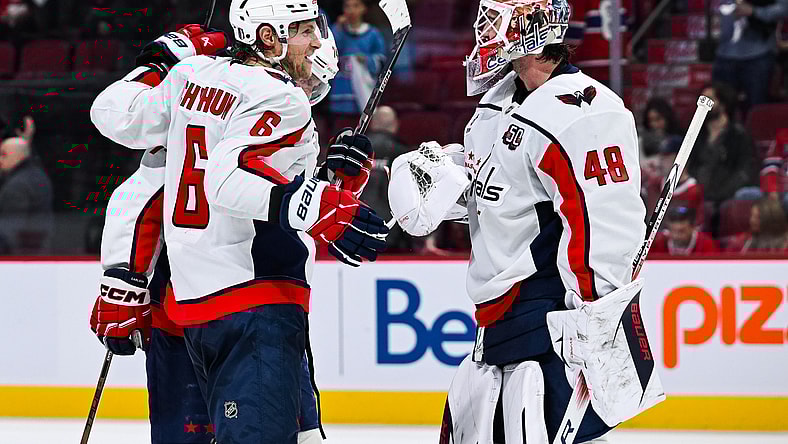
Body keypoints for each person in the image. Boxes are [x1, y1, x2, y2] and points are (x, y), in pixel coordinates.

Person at [89, 1, 387, 441]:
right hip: (254, 300)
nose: (316, 43)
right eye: (306, 32)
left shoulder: (194, 75)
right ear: (270, 37)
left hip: (190, 304)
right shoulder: (277, 97)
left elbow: (115, 115)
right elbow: (228, 182)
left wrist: (159, 61)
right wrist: (326, 203)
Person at [389, 1, 656, 442]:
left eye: (496, 18)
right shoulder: (498, 102)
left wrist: (598, 326)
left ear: (531, 28)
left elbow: (605, 224)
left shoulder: (583, 109)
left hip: (550, 328)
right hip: (496, 329)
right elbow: (501, 194)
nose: (484, 28)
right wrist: (445, 178)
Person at [690, 83, 759, 211]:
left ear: (723, 104)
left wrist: (721, 195)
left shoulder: (739, 136)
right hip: (697, 196)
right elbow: (690, 167)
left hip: (727, 196)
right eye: (702, 99)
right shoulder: (695, 135)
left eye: (710, 99)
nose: (705, 104)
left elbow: (745, 172)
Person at [714, 0, 788, 112]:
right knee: (721, 107)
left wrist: (754, 11)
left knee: (756, 109)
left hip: (758, 54)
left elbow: (783, 9)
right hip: (725, 54)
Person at [0, 117, 53, 255]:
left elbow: (11, 230)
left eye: (3, 154)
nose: (0, 160)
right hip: (37, 250)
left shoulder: (17, 185)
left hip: (20, 254)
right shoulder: (38, 175)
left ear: (18, 157)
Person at [329, 0, 386, 115]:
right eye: (347, 6)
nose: (351, 10)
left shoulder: (373, 33)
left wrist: (367, 59)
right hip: (342, 90)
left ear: (364, 8)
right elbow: (329, 51)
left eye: (356, 6)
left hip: (365, 86)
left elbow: (382, 60)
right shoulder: (336, 30)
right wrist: (338, 28)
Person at [651, 206, 719, 255]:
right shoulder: (657, 242)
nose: (676, 236)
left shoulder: (706, 244)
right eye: (673, 231)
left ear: (693, 228)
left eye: (681, 231)